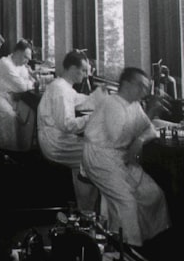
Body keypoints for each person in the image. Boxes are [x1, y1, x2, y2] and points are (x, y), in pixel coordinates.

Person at [81, 67, 169, 246]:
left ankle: (150, 241)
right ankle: (128, 252)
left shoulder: (134, 105)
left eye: (146, 87)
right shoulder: (112, 103)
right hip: (100, 157)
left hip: (121, 157)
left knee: (152, 193)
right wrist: (151, 113)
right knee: (126, 202)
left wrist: (140, 140)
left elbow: (148, 129)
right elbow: (119, 136)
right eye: (141, 86)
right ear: (127, 84)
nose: (144, 91)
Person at [38, 50, 104, 208]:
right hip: (55, 143)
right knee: (94, 153)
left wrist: (101, 96)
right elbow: (67, 125)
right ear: (73, 68)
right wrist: (93, 117)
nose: (86, 75)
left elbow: (80, 101)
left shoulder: (61, 85)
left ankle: (85, 204)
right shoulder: (61, 90)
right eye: (83, 70)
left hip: (54, 138)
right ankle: (88, 207)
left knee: (89, 154)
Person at [0, 39, 36, 151]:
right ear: (17, 53)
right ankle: (6, 149)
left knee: (23, 112)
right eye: (25, 57)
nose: (27, 61)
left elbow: (28, 80)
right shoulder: (6, 64)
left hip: (5, 96)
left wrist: (30, 80)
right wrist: (32, 82)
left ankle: (19, 147)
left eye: (28, 59)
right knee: (9, 116)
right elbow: (23, 87)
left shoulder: (20, 65)